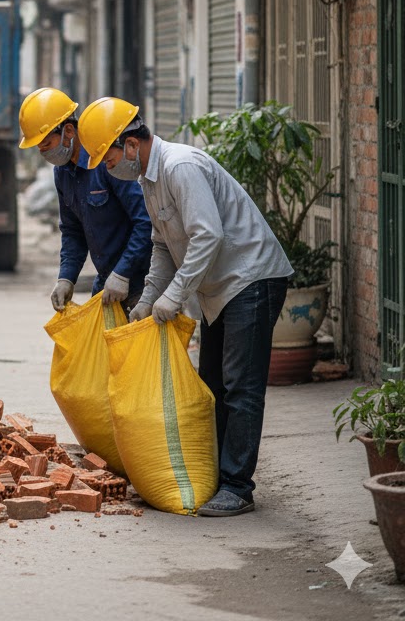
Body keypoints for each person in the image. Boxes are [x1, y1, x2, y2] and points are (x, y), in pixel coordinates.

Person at [77, 96, 294, 518]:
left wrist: (174, 297)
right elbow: (162, 244)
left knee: (240, 387)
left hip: (251, 278)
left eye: (108, 157)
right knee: (211, 383)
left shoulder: (180, 167)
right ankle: (212, 475)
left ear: (132, 143)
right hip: (221, 287)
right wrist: (151, 298)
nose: (108, 168)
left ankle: (237, 486)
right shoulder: (149, 179)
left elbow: (207, 236)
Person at [20, 87, 151, 313]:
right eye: (38, 147)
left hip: (142, 281)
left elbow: (145, 222)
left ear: (68, 131)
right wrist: (66, 278)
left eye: (46, 144)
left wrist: (123, 272)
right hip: (107, 281)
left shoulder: (107, 161)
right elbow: (72, 230)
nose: (42, 153)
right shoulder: (62, 172)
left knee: (142, 348)